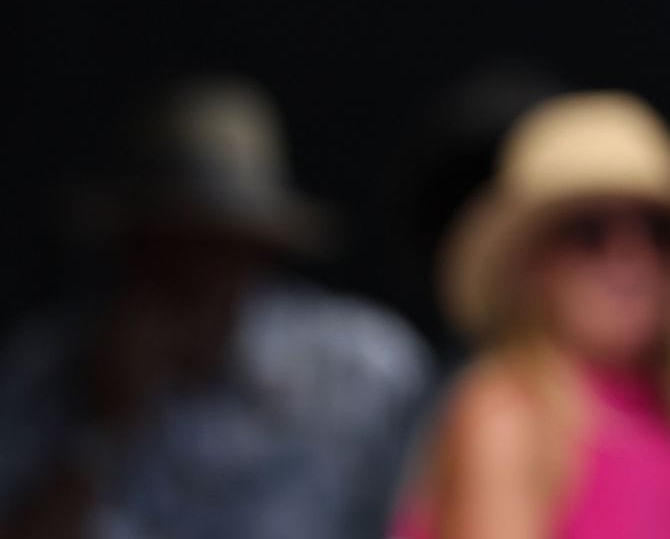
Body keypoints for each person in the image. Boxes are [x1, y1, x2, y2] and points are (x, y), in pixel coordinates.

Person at [0, 73, 430, 539]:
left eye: (217, 246)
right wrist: (101, 429)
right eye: (167, 246)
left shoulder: (360, 372)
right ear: (129, 250)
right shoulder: (45, 372)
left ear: (261, 252)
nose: (193, 273)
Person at [392, 91, 670, 539]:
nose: (633, 259)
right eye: (589, 233)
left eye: (660, 233)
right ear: (532, 266)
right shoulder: (507, 415)